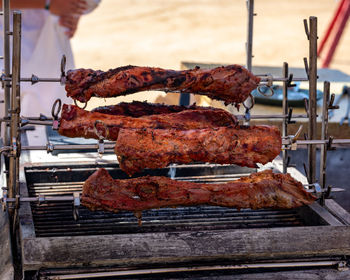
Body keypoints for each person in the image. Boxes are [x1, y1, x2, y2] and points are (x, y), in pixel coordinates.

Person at [0, 0, 99, 144]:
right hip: (6, 50)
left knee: (45, 134)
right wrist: (46, 4)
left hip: (51, 53)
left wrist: (72, 13)